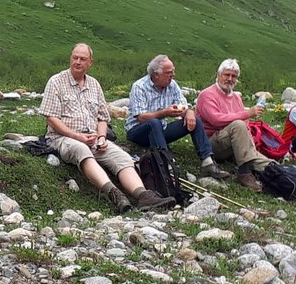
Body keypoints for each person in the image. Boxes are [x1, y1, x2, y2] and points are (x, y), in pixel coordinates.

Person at [40, 44, 173, 213]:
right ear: (70, 58)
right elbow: (51, 118)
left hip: (93, 137)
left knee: (122, 157)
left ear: (90, 63)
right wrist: (77, 136)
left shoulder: (94, 85)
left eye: (83, 59)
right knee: (82, 151)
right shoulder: (56, 82)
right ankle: (115, 194)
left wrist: (102, 137)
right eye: (75, 58)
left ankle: (143, 196)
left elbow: (102, 118)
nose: (78, 62)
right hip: (63, 138)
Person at [125, 55, 229, 179]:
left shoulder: (172, 85)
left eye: (173, 71)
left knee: (195, 119)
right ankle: (167, 164)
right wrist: (164, 113)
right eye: (169, 72)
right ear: (156, 74)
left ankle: (208, 163)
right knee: (154, 122)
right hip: (137, 132)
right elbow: (140, 117)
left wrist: (189, 113)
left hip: (160, 130)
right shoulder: (140, 86)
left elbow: (183, 105)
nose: (172, 75)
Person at [192, 59, 272, 192]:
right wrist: (248, 113)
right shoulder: (207, 94)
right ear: (218, 76)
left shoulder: (236, 97)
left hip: (232, 142)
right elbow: (216, 120)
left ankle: (285, 177)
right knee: (238, 125)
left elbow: (245, 125)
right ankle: (244, 173)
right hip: (212, 143)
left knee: (266, 162)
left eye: (233, 76)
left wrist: (249, 144)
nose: (230, 79)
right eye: (226, 75)